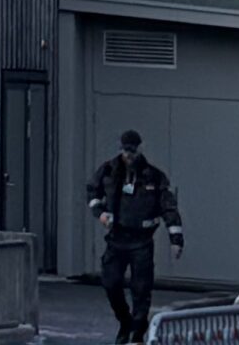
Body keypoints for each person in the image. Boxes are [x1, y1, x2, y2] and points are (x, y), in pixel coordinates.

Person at [88, 129, 184, 345]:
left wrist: (176, 239)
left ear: (140, 149)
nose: (128, 155)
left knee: (141, 289)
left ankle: (137, 332)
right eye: (125, 150)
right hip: (117, 238)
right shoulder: (109, 171)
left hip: (141, 241)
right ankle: (125, 320)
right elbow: (93, 193)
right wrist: (100, 213)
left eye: (132, 150)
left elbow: (169, 208)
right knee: (111, 283)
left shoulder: (153, 176)